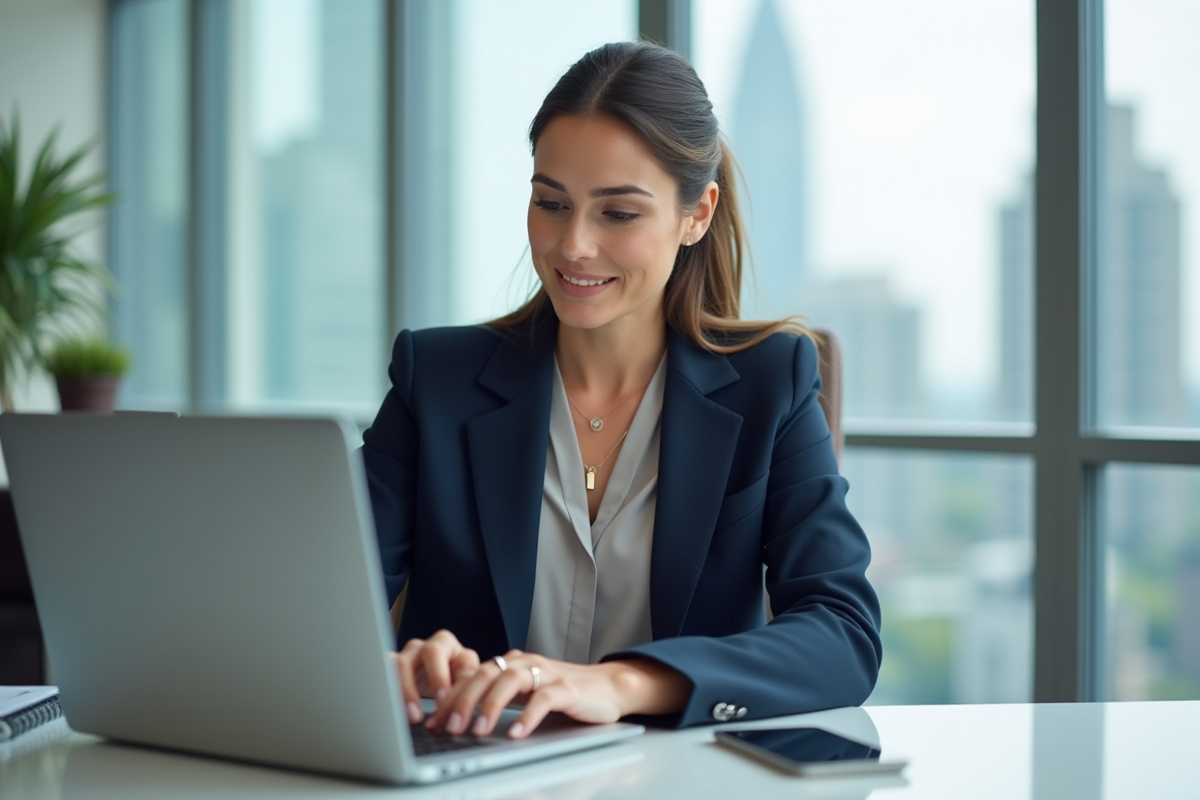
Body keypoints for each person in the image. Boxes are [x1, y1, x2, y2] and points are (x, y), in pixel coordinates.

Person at [362, 40, 880, 740]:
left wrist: (621, 682)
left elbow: (842, 634)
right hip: (476, 772)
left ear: (696, 215)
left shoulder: (771, 384)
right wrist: (389, 661)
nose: (573, 244)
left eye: (618, 213)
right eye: (551, 202)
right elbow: (320, 607)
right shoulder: (438, 381)